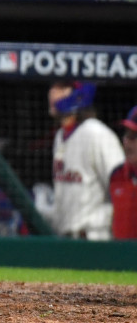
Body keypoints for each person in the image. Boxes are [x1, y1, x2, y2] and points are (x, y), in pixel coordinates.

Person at [44, 81, 124, 240]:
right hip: (66, 238)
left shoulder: (97, 133)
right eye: (52, 87)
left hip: (94, 237)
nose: (52, 93)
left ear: (78, 94)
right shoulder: (60, 136)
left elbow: (122, 186)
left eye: (61, 88)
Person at [110, 106, 137, 240]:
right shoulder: (116, 175)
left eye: (134, 136)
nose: (127, 141)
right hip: (120, 259)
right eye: (127, 134)